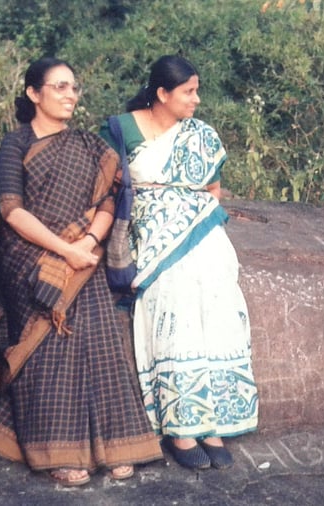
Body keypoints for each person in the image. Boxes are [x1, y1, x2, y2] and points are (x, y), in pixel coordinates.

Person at [0, 57, 163, 486]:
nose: (69, 96)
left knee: (98, 338)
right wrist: (65, 248)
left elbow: (110, 198)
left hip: (83, 255)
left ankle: (116, 444)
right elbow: (11, 210)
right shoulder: (16, 143)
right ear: (33, 94)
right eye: (59, 87)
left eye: (73, 88)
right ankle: (55, 450)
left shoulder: (89, 146)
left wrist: (86, 245)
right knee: (49, 347)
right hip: (29, 259)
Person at [100, 55, 259, 470]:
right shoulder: (121, 129)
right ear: (162, 93)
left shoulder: (200, 135)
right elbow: (107, 188)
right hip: (148, 229)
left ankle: (212, 421)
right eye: (188, 92)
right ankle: (180, 425)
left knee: (219, 297)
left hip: (200, 229)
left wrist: (188, 221)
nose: (196, 100)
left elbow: (213, 189)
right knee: (176, 295)